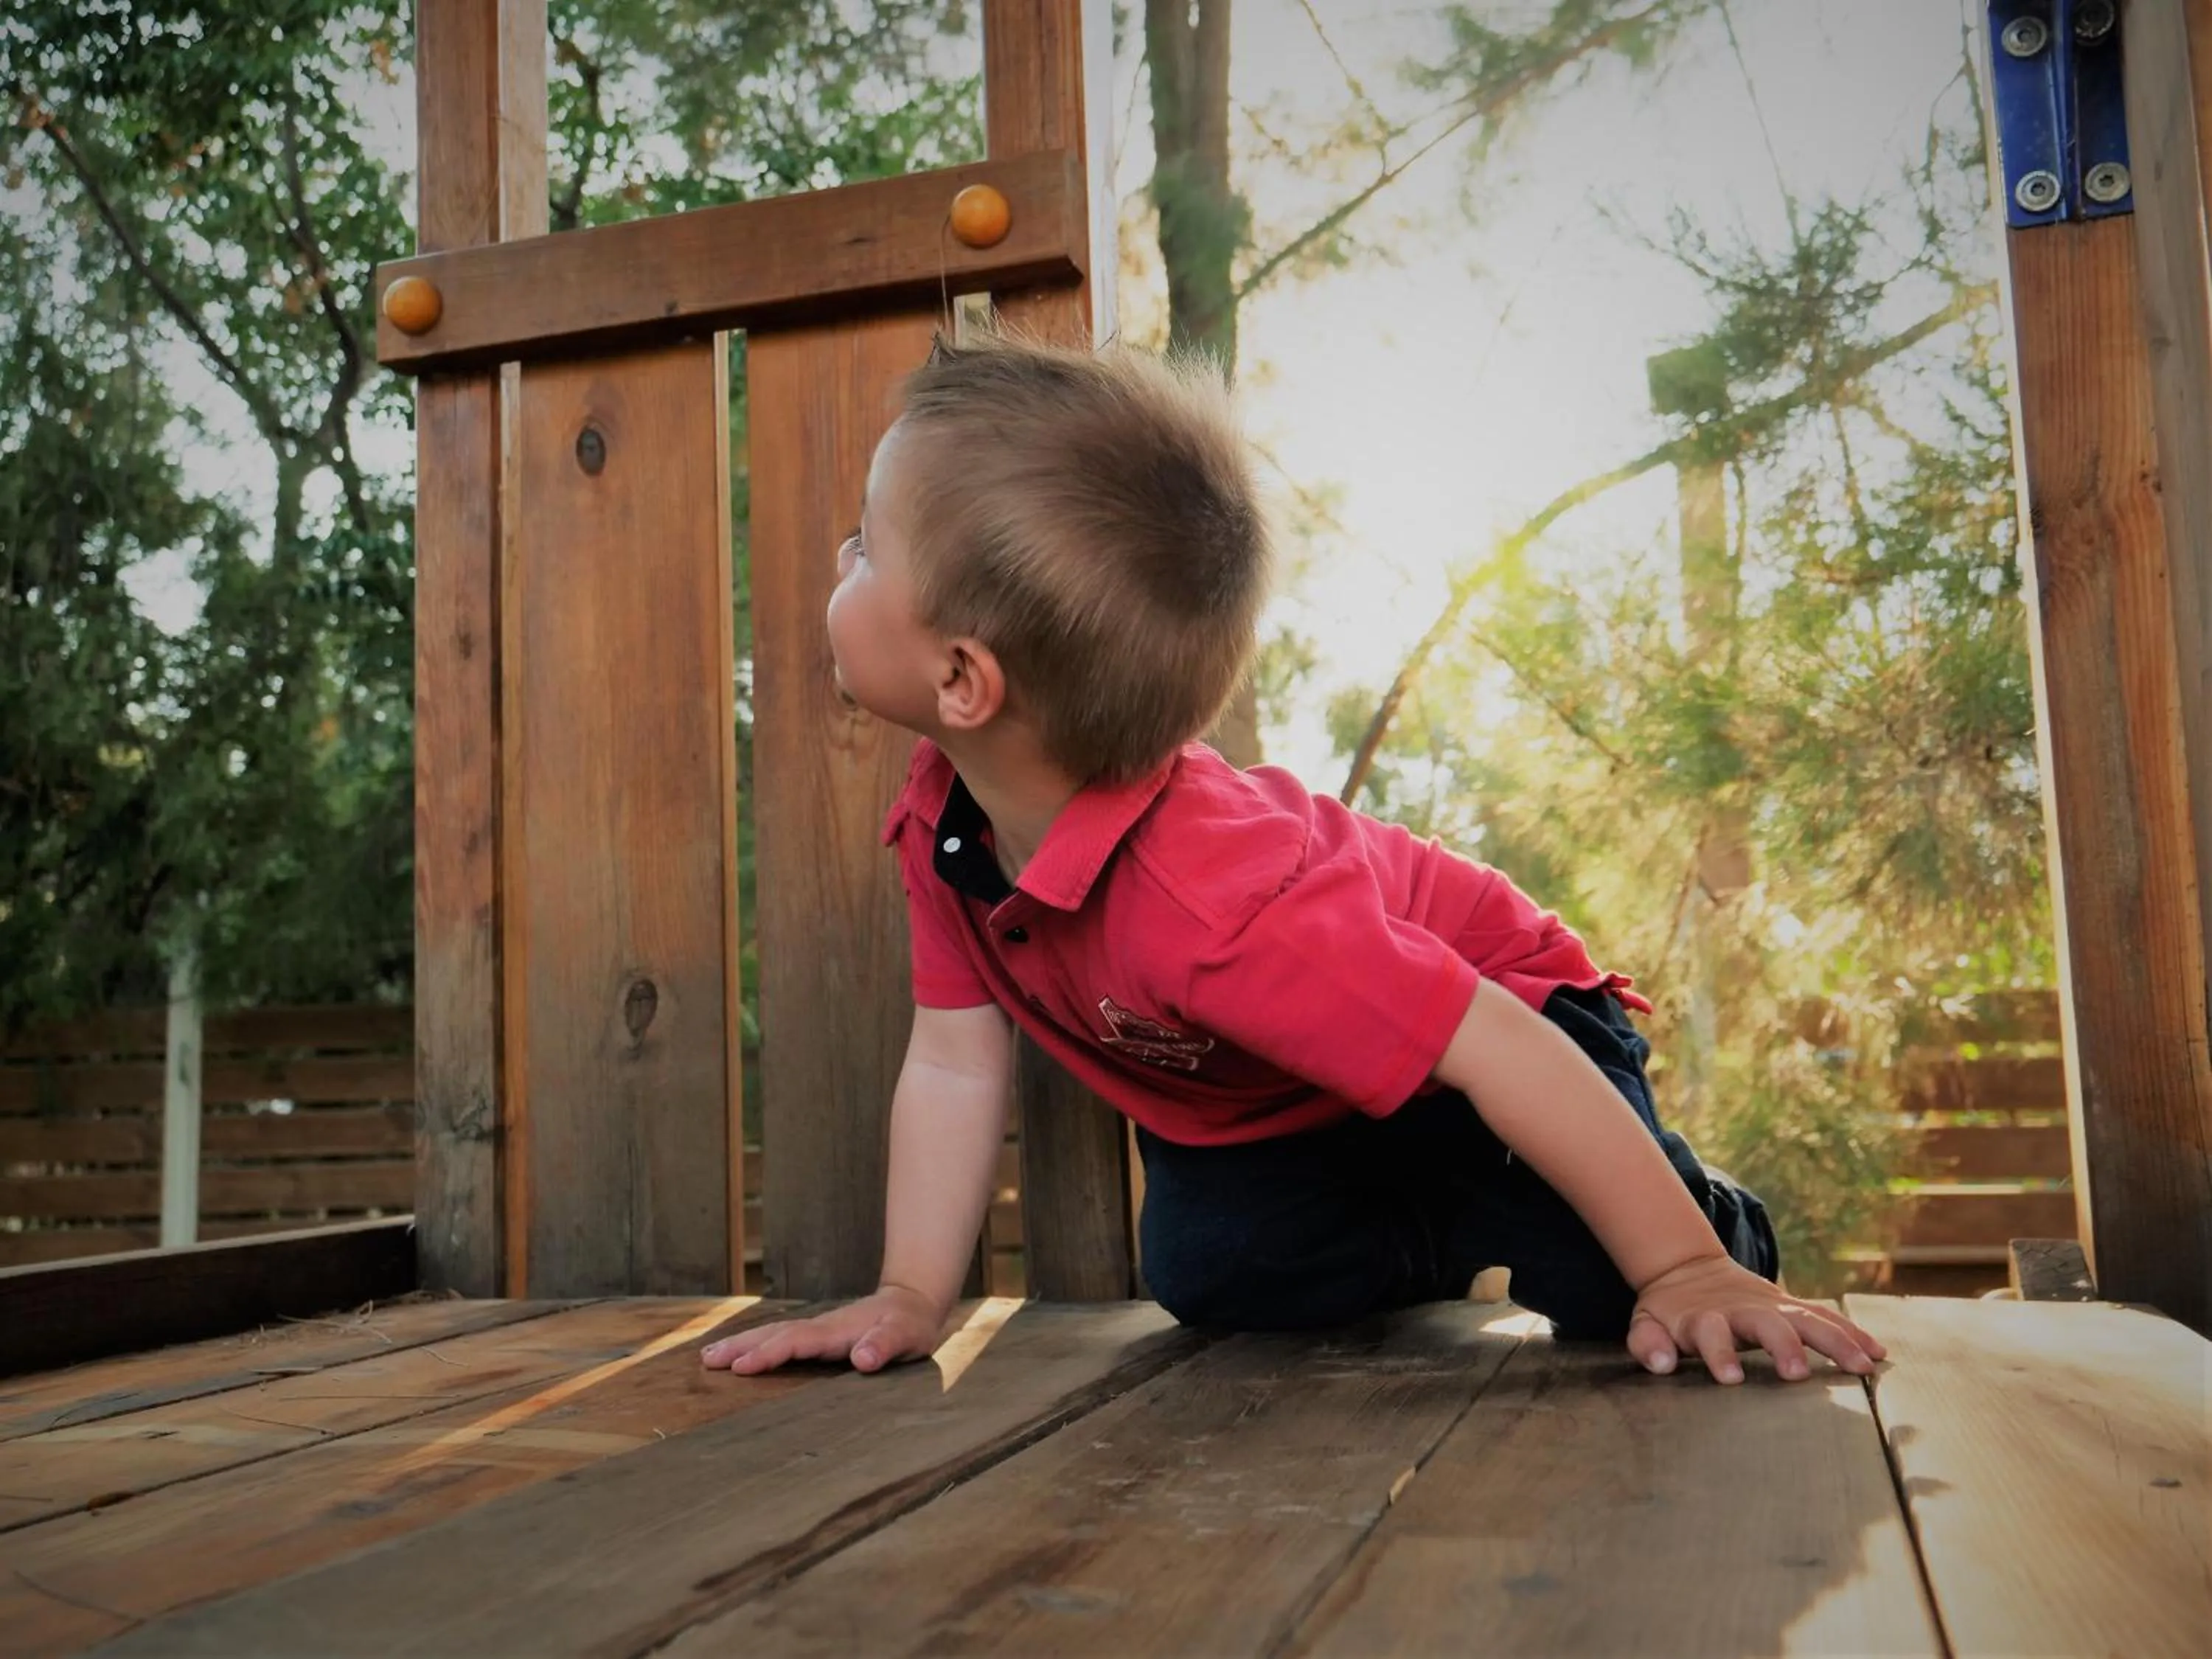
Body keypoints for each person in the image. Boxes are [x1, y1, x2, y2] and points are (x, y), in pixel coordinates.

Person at [703, 330, 1883, 1386]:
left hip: (1512, 1034)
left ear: (962, 677)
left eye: (867, 546)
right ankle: (1436, 1226)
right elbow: (959, 1061)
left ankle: (1708, 1224)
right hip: (1303, 1102)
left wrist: (1682, 1262)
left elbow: (1492, 1038)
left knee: (1624, 1293)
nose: (843, 555)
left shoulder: (1212, 897)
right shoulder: (945, 820)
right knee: (1216, 1272)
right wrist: (912, 1294)